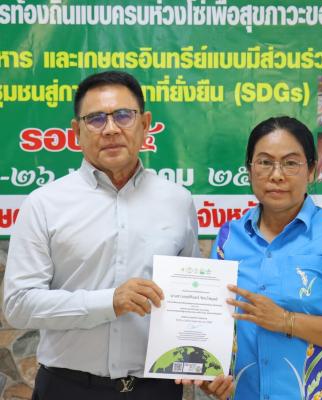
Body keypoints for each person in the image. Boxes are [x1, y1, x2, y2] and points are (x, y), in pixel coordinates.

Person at [3, 70, 200, 400]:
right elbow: (18, 305)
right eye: (95, 119)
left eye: (123, 115)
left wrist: (199, 359)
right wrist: (109, 301)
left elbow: (189, 298)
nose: (110, 129)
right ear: (76, 131)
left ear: (145, 124)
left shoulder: (177, 201)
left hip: (155, 389)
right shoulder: (44, 204)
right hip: (68, 388)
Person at [199, 116, 322, 399]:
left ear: (311, 171)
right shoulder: (228, 239)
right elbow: (216, 324)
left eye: (290, 163)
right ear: (249, 170)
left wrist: (286, 320)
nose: (276, 175)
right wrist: (211, 377)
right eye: (264, 162)